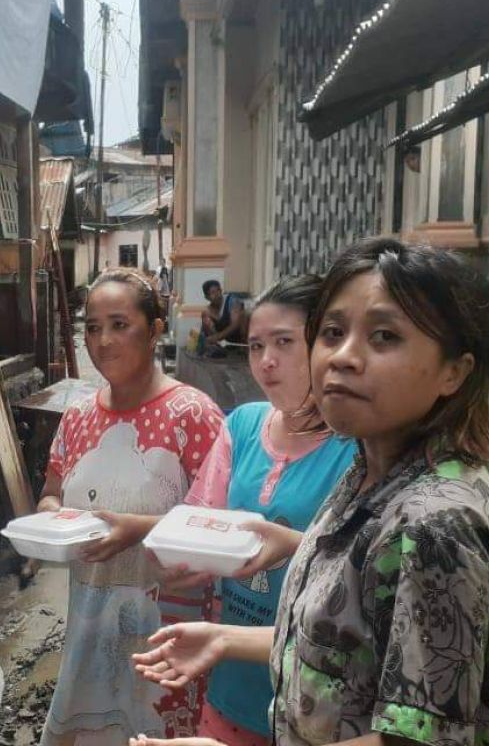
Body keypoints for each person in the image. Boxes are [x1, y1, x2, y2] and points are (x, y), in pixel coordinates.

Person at [131, 238, 489, 746]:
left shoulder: (435, 524)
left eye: (384, 336)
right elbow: (350, 644)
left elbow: (415, 739)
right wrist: (223, 637)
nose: (343, 357)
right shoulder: (370, 473)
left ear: (454, 371)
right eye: (333, 332)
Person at [38, 268, 225, 744]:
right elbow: (52, 491)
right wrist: (49, 517)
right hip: (89, 622)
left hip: (169, 632)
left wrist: (139, 528)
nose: (102, 340)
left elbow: (221, 525)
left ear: (155, 330)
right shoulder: (78, 416)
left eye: (119, 324)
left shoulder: (194, 414)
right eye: (93, 327)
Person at [169, 276, 356, 746]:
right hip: (230, 667)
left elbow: (364, 573)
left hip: (319, 685)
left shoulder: (358, 447)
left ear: (324, 345)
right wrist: (184, 559)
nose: (266, 361)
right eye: (254, 346)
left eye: (284, 343)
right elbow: (201, 516)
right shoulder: (244, 424)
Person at [200, 280, 246, 353]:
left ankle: (244, 349)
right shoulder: (208, 311)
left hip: (239, 338)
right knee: (205, 316)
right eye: (212, 293)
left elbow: (235, 324)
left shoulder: (232, 300)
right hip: (225, 341)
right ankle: (217, 348)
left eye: (218, 291)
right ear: (207, 297)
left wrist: (218, 336)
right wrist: (212, 338)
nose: (217, 294)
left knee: (244, 315)